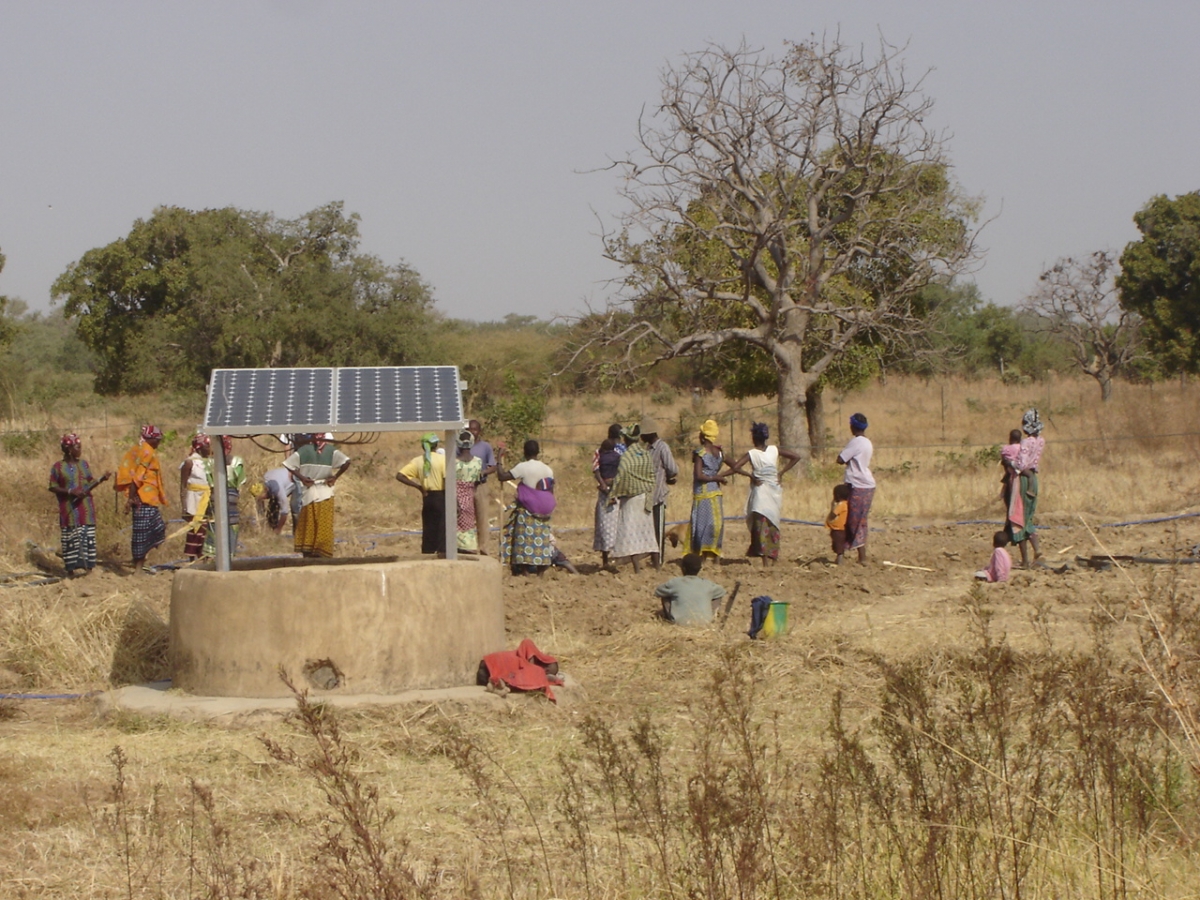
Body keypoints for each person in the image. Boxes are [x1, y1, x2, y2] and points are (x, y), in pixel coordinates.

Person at [724, 422, 801, 567]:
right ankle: (773, 558)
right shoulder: (774, 449)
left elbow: (735, 467)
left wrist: (750, 476)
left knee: (761, 525)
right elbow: (796, 457)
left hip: (760, 491)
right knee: (773, 523)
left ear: (754, 438)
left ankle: (764, 558)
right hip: (774, 491)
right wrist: (781, 473)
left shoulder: (752, 454)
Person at [47, 433, 110, 577]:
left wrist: (101, 479)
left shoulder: (84, 464)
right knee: (71, 538)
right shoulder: (58, 467)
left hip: (86, 508)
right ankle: (70, 570)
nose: (80, 450)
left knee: (87, 536)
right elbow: (52, 486)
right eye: (77, 447)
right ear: (69, 449)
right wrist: (70, 491)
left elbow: (89, 483)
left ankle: (88, 570)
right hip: (69, 509)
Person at [284, 433, 351, 559]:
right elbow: (288, 464)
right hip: (315, 493)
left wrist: (334, 477)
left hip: (319, 492)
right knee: (313, 524)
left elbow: (347, 462)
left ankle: (316, 554)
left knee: (317, 524)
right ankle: (313, 553)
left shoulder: (326, 451)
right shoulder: (312, 450)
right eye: (318, 436)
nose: (319, 439)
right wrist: (303, 478)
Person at [115, 424, 169, 573]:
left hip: (149, 499)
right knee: (141, 534)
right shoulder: (147, 452)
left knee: (156, 528)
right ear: (151, 439)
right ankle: (138, 568)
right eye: (157, 439)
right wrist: (131, 499)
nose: (159, 442)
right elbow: (137, 478)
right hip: (142, 498)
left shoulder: (145, 450)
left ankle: (140, 562)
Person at [498, 439, 556, 575]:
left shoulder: (523, 467)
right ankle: (541, 569)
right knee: (542, 539)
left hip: (528, 510)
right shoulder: (548, 469)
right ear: (538, 452)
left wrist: (499, 458)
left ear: (524, 452)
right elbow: (550, 490)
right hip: (544, 511)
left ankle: (524, 569)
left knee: (523, 538)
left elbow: (502, 476)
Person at [607, 424, 659, 573]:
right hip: (645, 497)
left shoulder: (626, 457)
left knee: (631, 534)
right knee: (648, 533)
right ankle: (657, 566)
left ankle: (637, 569)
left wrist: (612, 491)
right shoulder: (645, 454)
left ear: (626, 439)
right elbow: (651, 475)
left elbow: (621, 478)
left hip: (630, 500)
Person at [395, 432, 447, 555]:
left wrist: (419, 487)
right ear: (436, 445)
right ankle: (442, 553)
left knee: (429, 527)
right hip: (442, 496)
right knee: (442, 527)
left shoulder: (417, 461)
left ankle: (427, 553)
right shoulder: (443, 460)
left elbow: (400, 475)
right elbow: (447, 479)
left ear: (423, 446)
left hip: (427, 497)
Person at [1007, 409, 1045, 568]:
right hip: (1033, 480)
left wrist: (1010, 463)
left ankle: (1024, 561)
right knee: (1029, 516)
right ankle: (1037, 549)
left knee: (1018, 519)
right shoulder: (1041, 441)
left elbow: (1021, 465)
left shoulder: (1025, 442)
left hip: (1022, 480)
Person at [836, 413, 875, 565]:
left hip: (857, 484)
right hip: (866, 485)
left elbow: (840, 459)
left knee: (851, 520)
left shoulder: (856, 442)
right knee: (859, 520)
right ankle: (857, 556)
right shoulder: (867, 442)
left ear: (853, 426)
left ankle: (857, 556)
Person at [641, 417, 679, 566]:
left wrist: (668, 478)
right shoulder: (648, 449)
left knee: (659, 529)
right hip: (648, 495)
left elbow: (672, 469)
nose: (641, 437)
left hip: (659, 495)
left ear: (650, 434)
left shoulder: (662, 448)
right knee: (650, 530)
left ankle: (659, 561)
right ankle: (653, 558)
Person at [689, 419, 726, 558]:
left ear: (703, 436)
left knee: (701, 525)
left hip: (702, 493)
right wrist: (720, 476)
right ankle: (715, 554)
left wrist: (714, 477)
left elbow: (699, 475)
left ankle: (701, 556)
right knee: (715, 524)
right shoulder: (719, 452)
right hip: (715, 492)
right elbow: (734, 466)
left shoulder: (701, 453)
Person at [655, 553, 727, 625]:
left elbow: (658, 591)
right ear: (700, 569)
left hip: (680, 623)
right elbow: (721, 592)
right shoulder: (707, 584)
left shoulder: (675, 583)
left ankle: (671, 619)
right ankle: (711, 616)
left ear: (682, 568)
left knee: (665, 595)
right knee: (716, 595)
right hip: (704, 623)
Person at [592, 424, 624, 569]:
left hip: (605, 491)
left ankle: (606, 559)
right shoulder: (623, 450)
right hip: (619, 491)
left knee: (604, 525)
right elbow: (624, 470)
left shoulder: (599, 451)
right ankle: (617, 558)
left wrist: (603, 485)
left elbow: (595, 469)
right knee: (619, 525)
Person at [179, 433, 213, 560]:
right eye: (207, 446)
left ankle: (204, 557)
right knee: (195, 530)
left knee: (206, 530)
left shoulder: (210, 462)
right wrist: (183, 507)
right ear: (200, 447)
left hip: (207, 499)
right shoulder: (189, 463)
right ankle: (193, 559)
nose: (209, 449)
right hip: (194, 499)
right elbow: (183, 485)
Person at [467, 420, 498, 555]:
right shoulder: (461, 446)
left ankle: (483, 548)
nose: (472, 433)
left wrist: (483, 472)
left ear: (479, 431)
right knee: (465, 517)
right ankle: (468, 547)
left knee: (482, 517)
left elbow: (493, 466)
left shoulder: (485, 447)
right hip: (465, 486)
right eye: (470, 430)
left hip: (481, 486)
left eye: (475, 430)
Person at [454, 429, 483, 552]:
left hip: (456, 497)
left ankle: (458, 547)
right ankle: (470, 547)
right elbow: (476, 481)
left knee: (456, 526)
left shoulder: (454, 463)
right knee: (469, 525)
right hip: (469, 496)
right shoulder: (478, 462)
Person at [258, 465, 296, 533]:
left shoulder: (278, 490)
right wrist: (261, 518)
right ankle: (271, 527)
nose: (265, 498)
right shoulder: (264, 479)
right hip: (282, 479)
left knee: (296, 506)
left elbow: (285, 512)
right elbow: (259, 499)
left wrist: (278, 529)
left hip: (297, 481)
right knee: (272, 505)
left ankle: (297, 533)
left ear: (266, 490)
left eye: (264, 497)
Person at [826, 483, 850, 561]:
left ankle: (840, 560)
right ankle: (839, 558)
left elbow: (833, 514)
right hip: (838, 528)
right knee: (837, 544)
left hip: (838, 529)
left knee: (838, 545)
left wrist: (832, 507)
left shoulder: (841, 505)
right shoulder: (845, 504)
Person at [999, 428, 1022, 506]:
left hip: (1010, 474)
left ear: (1011, 438)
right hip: (1022, 473)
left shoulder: (1007, 449)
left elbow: (1004, 459)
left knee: (1008, 497)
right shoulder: (1022, 448)